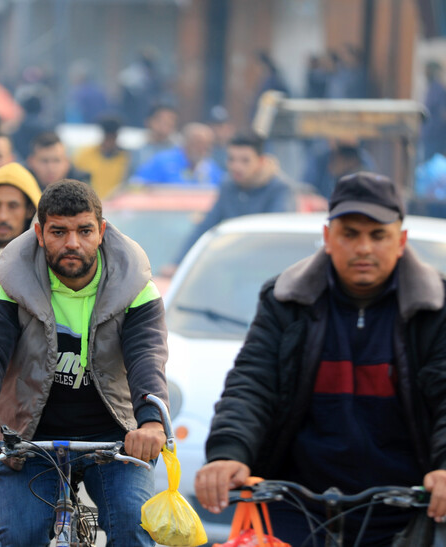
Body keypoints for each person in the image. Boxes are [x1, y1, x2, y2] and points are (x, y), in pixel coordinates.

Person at [194, 172, 446, 544]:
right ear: (328, 238)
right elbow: (253, 383)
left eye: (378, 235)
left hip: (406, 511)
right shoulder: (285, 300)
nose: (363, 248)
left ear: (400, 241)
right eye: (350, 234)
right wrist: (228, 452)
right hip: (294, 505)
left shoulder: (436, 308)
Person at [0, 179, 169, 546]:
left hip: (114, 436)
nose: (73, 243)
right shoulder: (9, 282)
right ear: (39, 233)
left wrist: (150, 422)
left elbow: (147, 357)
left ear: (101, 232)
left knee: (136, 532)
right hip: (28, 435)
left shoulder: (136, 285)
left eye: (84, 230)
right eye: (59, 231)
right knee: (20, 537)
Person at [176, 132, 294, 260]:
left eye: (245, 160)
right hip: (233, 266)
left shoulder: (280, 189)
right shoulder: (228, 186)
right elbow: (206, 227)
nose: (236, 166)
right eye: (231, 159)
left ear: (261, 161)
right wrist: (178, 262)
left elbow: (274, 234)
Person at [133, 122, 224, 185]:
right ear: (186, 142)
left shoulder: (211, 168)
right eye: (198, 143)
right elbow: (137, 187)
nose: (203, 149)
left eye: (208, 144)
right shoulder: (161, 162)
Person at [73, 116, 129, 198]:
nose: (109, 142)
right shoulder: (85, 155)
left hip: (116, 205)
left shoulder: (124, 158)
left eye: (112, 138)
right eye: (107, 137)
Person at [128, 104, 178, 173]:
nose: (168, 123)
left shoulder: (179, 152)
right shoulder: (136, 151)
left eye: (171, 119)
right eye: (161, 119)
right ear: (148, 121)